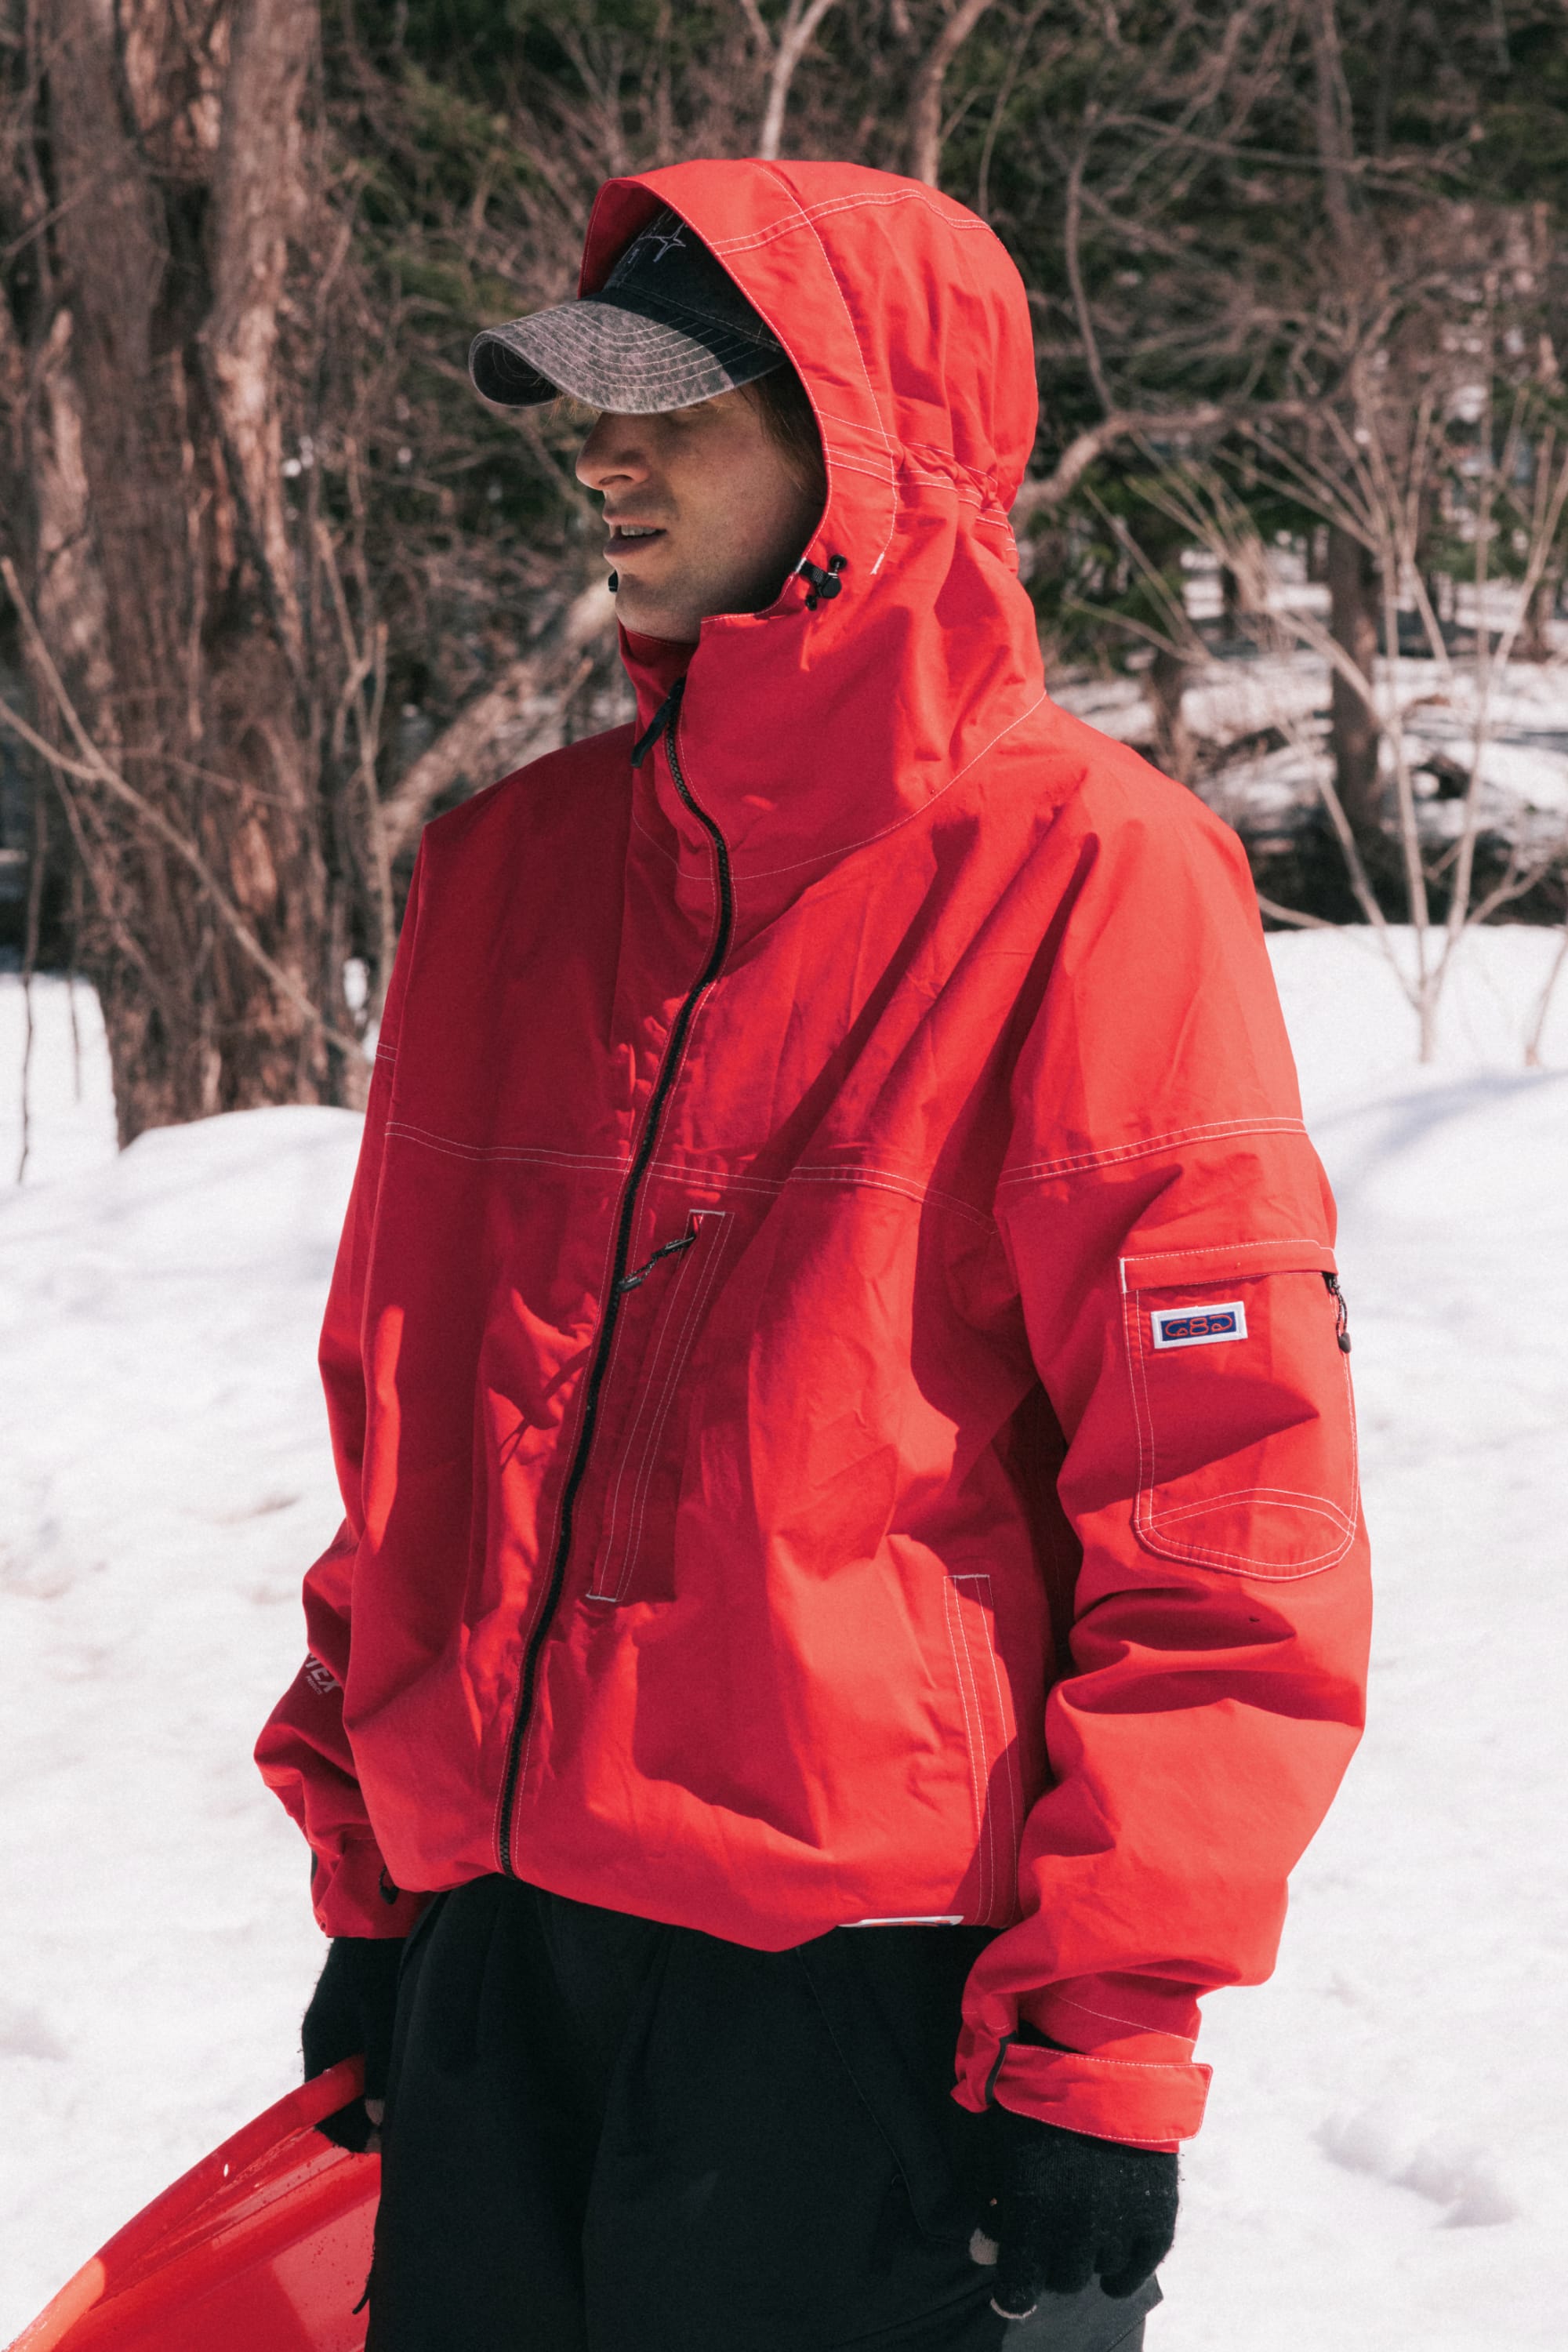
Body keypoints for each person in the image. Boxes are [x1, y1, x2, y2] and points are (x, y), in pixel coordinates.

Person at [257, 159, 1370, 2352]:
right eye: (592, 407)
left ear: (876, 447)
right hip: (495, 1978)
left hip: (855, 2014)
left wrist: (1107, 2031)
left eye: (675, 407)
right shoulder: (508, 873)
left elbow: (1223, 1507)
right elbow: (404, 1446)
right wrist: (375, 1885)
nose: (605, 456)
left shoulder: (1093, 879)